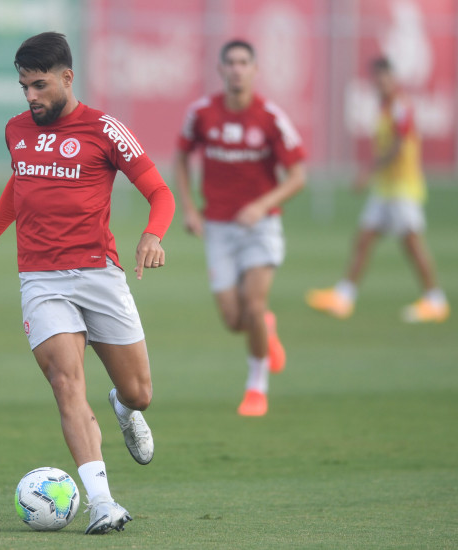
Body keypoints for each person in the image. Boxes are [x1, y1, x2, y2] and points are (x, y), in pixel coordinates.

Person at [0, 32, 175, 534]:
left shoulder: (105, 129)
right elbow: (21, 182)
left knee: (140, 392)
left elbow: (160, 192)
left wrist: (152, 234)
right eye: (23, 87)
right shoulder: (17, 130)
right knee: (65, 382)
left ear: (67, 78)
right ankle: (102, 503)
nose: (30, 97)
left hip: (99, 275)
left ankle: (123, 408)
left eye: (39, 85)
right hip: (41, 279)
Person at [175, 40, 307, 417]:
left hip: (260, 227)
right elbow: (181, 157)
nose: (237, 69)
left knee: (254, 302)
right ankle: (265, 327)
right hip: (217, 227)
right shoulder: (202, 113)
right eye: (230, 62)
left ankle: (256, 388)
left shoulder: (269, 116)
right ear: (221, 69)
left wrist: (262, 205)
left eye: (243, 62)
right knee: (235, 320)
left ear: (254, 69)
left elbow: (298, 176)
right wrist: (189, 209)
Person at [306, 56, 450, 323]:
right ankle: (344, 296)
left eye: (385, 78)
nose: (381, 84)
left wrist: (368, 170)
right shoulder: (385, 107)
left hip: (402, 188)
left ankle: (435, 299)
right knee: (364, 239)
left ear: (393, 79)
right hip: (386, 189)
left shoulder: (400, 107)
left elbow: (398, 145)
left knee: (412, 244)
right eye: (377, 79)